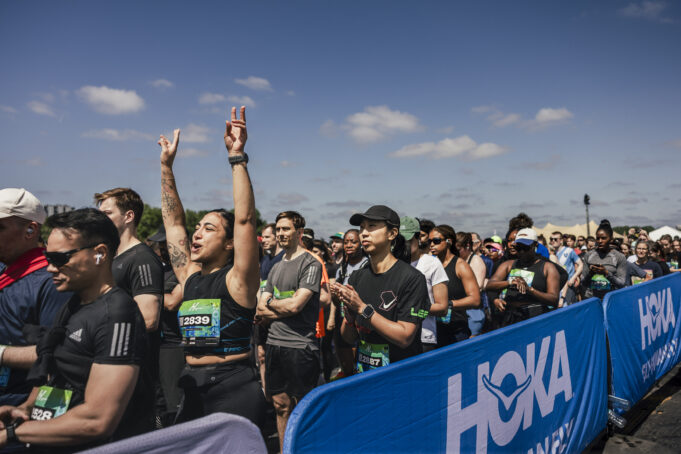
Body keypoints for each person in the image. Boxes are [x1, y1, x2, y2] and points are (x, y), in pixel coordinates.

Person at [0, 208, 151, 452]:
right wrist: (25, 409)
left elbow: (96, 420)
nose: (50, 268)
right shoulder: (72, 304)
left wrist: (12, 434)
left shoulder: (118, 314)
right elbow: (53, 367)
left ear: (100, 254)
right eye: (48, 259)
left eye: (60, 259)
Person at [158, 107, 266, 430]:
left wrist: (237, 157)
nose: (197, 233)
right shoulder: (188, 277)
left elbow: (245, 219)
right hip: (191, 386)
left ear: (230, 243)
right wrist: (166, 167)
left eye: (209, 228)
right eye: (199, 227)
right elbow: (173, 223)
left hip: (233, 388)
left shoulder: (238, 281)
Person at [332, 205, 429, 373]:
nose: (363, 233)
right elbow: (348, 338)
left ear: (392, 234)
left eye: (371, 226)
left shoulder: (412, 279)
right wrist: (349, 314)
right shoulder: (357, 277)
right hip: (365, 375)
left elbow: (405, 337)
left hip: (401, 375)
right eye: (361, 227)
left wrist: (362, 309)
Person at [256, 210, 323, 450]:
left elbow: (297, 305)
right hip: (275, 344)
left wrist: (273, 305)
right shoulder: (275, 267)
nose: (281, 234)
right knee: (279, 405)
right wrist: (279, 307)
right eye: (278, 229)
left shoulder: (310, 263)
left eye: (286, 229)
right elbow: (261, 308)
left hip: (300, 346)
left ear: (299, 232)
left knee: (303, 408)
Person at [0, 188, 71, 408]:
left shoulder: (52, 280)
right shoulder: (5, 272)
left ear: (31, 229)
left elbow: (61, 353)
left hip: (20, 406)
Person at [146, 227, 184, 427]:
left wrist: (145, 294)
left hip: (175, 344)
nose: (161, 249)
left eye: (165, 245)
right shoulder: (161, 271)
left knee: (173, 401)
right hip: (157, 343)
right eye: (159, 245)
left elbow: (172, 302)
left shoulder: (187, 271)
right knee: (158, 400)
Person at [487, 228, 560, 326]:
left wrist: (530, 290)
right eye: (518, 248)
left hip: (535, 316)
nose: (521, 252)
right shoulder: (508, 265)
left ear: (535, 245)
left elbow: (554, 299)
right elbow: (489, 285)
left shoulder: (547, 267)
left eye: (525, 248)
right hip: (510, 317)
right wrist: (509, 283)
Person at [400, 216, 448, 353]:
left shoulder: (432, 263)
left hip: (424, 338)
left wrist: (411, 309)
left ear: (418, 238)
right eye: (401, 241)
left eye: (409, 240)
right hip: (397, 336)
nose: (406, 244)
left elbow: (442, 307)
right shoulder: (393, 264)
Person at [429, 225, 480, 346]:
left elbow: (475, 300)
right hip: (433, 328)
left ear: (448, 242)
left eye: (436, 241)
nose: (431, 244)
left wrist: (448, 304)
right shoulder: (430, 265)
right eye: (429, 241)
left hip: (456, 330)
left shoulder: (460, 265)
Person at [331, 229, 368, 379]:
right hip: (343, 319)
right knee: (345, 362)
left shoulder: (367, 265)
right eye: (346, 242)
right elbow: (336, 301)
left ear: (361, 244)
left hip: (360, 321)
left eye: (353, 242)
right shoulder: (341, 269)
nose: (349, 245)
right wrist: (335, 295)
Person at [581, 220, 628, 299]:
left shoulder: (619, 257)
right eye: (598, 238)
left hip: (611, 300)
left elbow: (621, 283)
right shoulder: (589, 255)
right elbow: (583, 282)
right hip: (592, 299)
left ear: (611, 239)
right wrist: (590, 273)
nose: (600, 241)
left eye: (603, 238)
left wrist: (606, 273)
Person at [455, 232, 487, 336]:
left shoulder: (476, 261)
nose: (455, 252)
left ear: (467, 246)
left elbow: (477, 288)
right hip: (459, 312)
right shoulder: (459, 260)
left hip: (472, 314)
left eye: (458, 249)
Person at [550, 231, 583, 305]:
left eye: (555, 239)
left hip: (569, 287)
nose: (553, 241)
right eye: (551, 239)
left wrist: (573, 278)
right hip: (558, 288)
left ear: (561, 240)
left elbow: (580, 264)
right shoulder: (553, 254)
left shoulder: (569, 251)